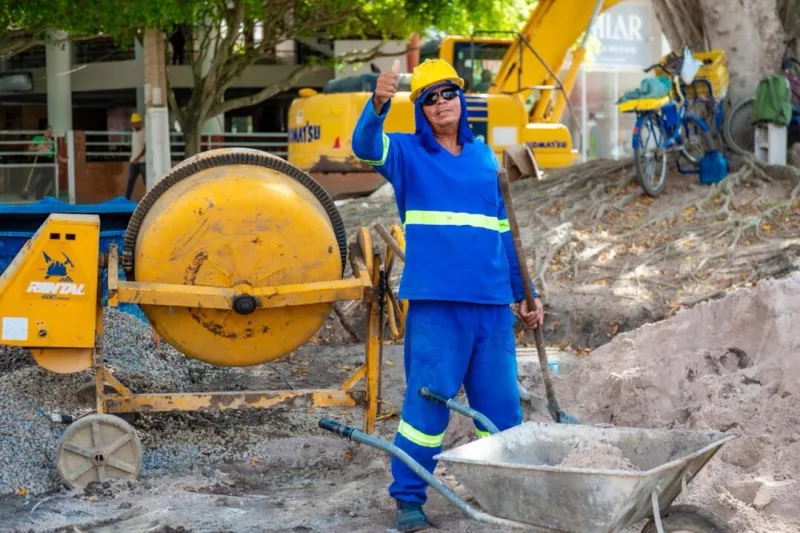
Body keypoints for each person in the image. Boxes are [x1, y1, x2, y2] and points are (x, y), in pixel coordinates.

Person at [351, 58, 544, 532]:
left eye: (448, 94)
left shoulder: (484, 160)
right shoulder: (406, 155)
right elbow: (364, 146)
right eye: (430, 97)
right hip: (437, 308)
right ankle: (410, 499)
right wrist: (378, 104)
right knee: (427, 407)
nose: (441, 104)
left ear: (462, 100)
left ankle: (507, 493)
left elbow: (504, 233)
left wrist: (526, 294)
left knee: (501, 411)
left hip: (493, 308)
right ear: (419, 108)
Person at [21, 125, 57, 200]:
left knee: (47, 179)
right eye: (48, 131)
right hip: (40, 159)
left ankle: (41, 195)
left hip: (48, 161)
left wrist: (62, 159)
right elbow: (30, 148)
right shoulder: (38, 138)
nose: (50, 133)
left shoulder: (52, 142)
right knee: (39, 178)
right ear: (44, 131)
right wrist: (37, 147)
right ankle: (38, 197)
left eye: (51, 131)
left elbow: (55, 154)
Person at [125, 113, 146, 200]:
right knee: (130, 181)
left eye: (136, 123)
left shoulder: (144, 132)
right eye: (133, 123)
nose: (134, 125)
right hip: (133, 162)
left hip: (142, 162)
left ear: (140, 123)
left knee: (146, 182)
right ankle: (127, 199)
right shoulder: (133, 133)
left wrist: (137, 158)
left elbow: (145, 148)